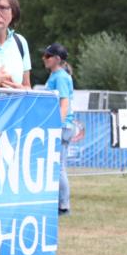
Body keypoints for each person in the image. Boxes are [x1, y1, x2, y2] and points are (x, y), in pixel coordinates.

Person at [43, 43, 75, 216]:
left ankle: (63, 206)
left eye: (48, 56)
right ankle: (59, 203)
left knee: (59, 167)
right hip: (61, 125)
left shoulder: (60, 77)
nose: (44, 58)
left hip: (62, 126)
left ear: (57, 59)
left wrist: (58, 124)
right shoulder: (55, 75)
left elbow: (64, 102)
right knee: (56, 166)